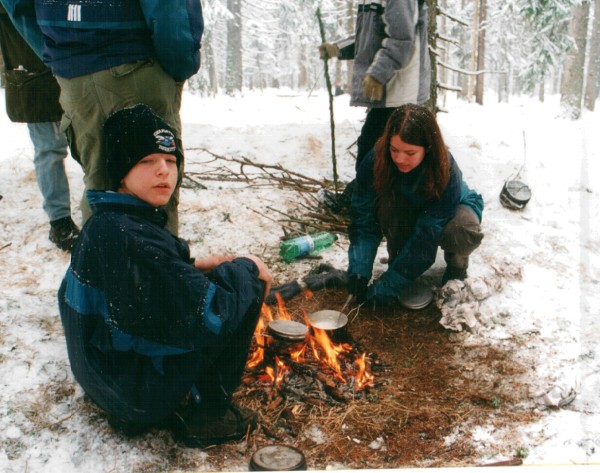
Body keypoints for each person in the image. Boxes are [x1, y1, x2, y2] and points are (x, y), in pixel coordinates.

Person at [58, 105, 272, 447]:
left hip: (105, 379)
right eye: (147, 161)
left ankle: (135, 400)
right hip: (138, 396)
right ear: (121, 169)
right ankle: (209, 412)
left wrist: (195, 263)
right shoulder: (134, 238)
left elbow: (144, 279)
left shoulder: (106, 222)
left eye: (171, 162)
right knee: (245, 286)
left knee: (217, 281)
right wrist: (248, 268)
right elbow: (212, 313)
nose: (164, 172)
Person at [0, 0, 203, 235]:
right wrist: (179, 64)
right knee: (154, 185)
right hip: (133, 62)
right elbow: (169, 10)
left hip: (74, 72)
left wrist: (57, 54)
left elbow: (18, 6)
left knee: (101, 183)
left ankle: (100, 267)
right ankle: (155, 267)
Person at [346, 104, 484, 307]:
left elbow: (427, 236)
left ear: (427, 148)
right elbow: (363, 219)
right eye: (394, 150)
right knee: (388, 209)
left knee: (461, 231)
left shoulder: (446, 169)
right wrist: (359, 271)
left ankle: (457, 265)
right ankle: (400, 264)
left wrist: (388, 287)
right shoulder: (376, 159)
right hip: (406, 206)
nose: (400, 159)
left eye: (410, 153)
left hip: (452, 209)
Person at [319, 0, 431, 210]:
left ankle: (361, 206)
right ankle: (371, 205)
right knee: (372, 149)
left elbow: (401, 39)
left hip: (400, 90)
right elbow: (371, 38)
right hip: (390, 90)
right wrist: (338, 49)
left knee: (374, 151)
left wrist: (378, 75)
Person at [0, 4, 79, 251]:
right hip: (34, 78)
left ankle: (100, 214)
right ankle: (60, 222)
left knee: (86, 148)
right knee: (49, 150)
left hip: (71, 71)